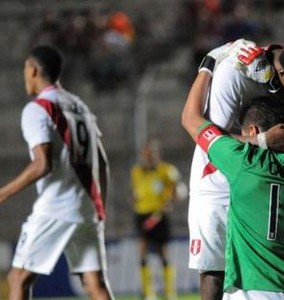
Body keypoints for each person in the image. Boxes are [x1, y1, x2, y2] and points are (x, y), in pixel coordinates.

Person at [189, 39, 284, 299]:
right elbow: (212, 136)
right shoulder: (235, 71)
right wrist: (261, 141)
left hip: (265, 173)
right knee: (214, 273)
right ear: (283, 72)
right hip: (219, 179)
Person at [0, 45, 114, 299]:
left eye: (25, 70)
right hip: (88, 207)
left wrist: (3, 192)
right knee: (95, 284)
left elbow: (43, 164)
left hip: (56, 206)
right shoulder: (78, 105)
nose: (24, 77)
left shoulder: (37, 108)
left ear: (33, 70)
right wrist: (98, 207)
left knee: (18, 278)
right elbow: (102, 162)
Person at [130, 139, 184, 300]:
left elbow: (178, 190)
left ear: (156, 154)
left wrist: (170, 202)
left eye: (150, 154)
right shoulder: (137, 171)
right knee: (142, 251)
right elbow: (136, 190)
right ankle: (148, 293)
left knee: (163, 253)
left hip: (159, 215)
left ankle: (169, 292)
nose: (147, 157)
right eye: (145, 154)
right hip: (141, 214)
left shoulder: (167, 170)